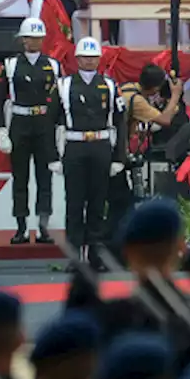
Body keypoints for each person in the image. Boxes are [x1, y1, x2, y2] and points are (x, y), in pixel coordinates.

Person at [49, 37, 126, 271]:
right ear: (77, 58)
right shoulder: (63, 85)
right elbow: (49, 121)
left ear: (99, 59)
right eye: (85, 57)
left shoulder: (111, 85)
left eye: (94, 57)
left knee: (97, 204)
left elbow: (120, 123)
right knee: (74, 204)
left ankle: (95, 257)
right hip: (75, 147)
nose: (89, 61)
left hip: (101, 147)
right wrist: (53, 156)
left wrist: (119, 157)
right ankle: (74, 258)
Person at [0, 18, 60, 245]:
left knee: (45, 177)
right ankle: (21, 227)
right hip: (20, 123)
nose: (35, 41)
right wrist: (2, 129)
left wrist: (59, 129)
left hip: (44, 124)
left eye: (39, 37)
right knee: (19, 178)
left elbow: (58, 101)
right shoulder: (10, 65)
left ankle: (43, 227)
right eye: (31, 37)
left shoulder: (52, 65)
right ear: (23, 40)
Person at [109, 62, 183, 246]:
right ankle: (114, 245)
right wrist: (175, 95)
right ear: (155, 88)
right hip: (113, 154)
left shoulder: (129, 88)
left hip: (107, 147)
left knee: (119, 200)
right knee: (121, 202)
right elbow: (165, 120)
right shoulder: (138, 101)